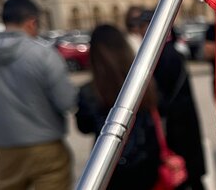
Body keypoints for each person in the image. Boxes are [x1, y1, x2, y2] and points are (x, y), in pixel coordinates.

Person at [0, 0, 77, 190]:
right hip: (46, 146)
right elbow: (66, 102)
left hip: (5, 150)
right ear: (32, 22)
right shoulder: (44, 54)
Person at [76, 24, 161, 189]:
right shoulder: (142, 82)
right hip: (146, 158)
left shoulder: (90, 90)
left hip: (108, 160)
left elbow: (84, 127)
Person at [140, 11, 207, 190]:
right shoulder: (171, 50)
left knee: (184, 174)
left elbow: (161, 95)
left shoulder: (163, 54)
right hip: (184, 120)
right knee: (191, 173)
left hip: (176, 124)